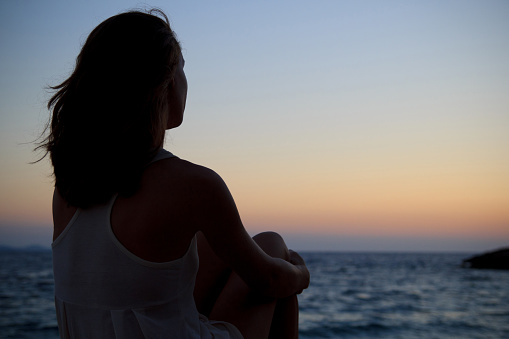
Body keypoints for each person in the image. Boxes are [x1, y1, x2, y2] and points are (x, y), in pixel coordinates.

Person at [36, 9, 310, 339]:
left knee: (206, 247)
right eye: (182, 67)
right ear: (164, 83)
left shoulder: (68, 189)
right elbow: (271, 280)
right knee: (272, 245)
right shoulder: (192, 185)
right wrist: (300, 274)